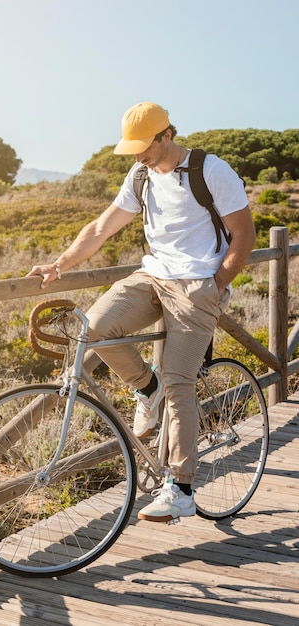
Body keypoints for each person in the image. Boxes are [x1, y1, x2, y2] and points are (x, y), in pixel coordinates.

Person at [27, 101, 256, 523]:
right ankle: (147, 389)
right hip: (153, 277)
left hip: (196, 285)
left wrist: (214, 286)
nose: (137, 156)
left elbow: (245, 234)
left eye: (143, 147)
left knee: (180, 380)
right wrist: (60, 264)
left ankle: (182, 487)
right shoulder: (140, 176)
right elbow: (100, 228)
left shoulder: (211, 171)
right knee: (94, 326)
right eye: (131, 150)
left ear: (167, 134)